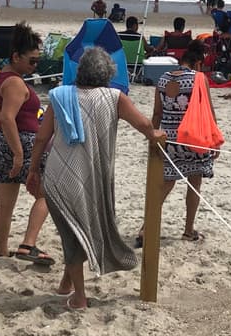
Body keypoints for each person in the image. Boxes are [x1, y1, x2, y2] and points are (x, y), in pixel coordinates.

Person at [26, 47, 164, 310]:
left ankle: (67, 284)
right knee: (74, 235)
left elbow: (42, 138)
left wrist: (33, 170)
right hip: (91, 176)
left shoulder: (60, 95)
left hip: (58, 175)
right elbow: (144, 124)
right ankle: (79, 297)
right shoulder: (114, 97)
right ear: (108, 74)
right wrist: (154, 135)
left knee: (71, 232)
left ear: (80, 71)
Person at [0, 22, 54, 264]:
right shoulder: (15, 82)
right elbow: (7, 117)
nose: (35, 66)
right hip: (20, 143)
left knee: (5, 202)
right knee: (47, 194)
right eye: (32, 61)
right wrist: (18, 153)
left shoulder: (1, 77)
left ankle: (2, 250)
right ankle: (28, 243)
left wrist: (9, 128)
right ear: (16, 57)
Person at [145, 41, 216, 247]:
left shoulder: (163, 79)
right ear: (198, 63)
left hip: (168, 138)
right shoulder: (199, 79)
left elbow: (157, 113)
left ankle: (145, 227)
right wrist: (214, 141)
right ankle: (188, 230)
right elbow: (208, 112)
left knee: (166, 184)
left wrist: (152, 137)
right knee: (194, 183)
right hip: (193, 137)